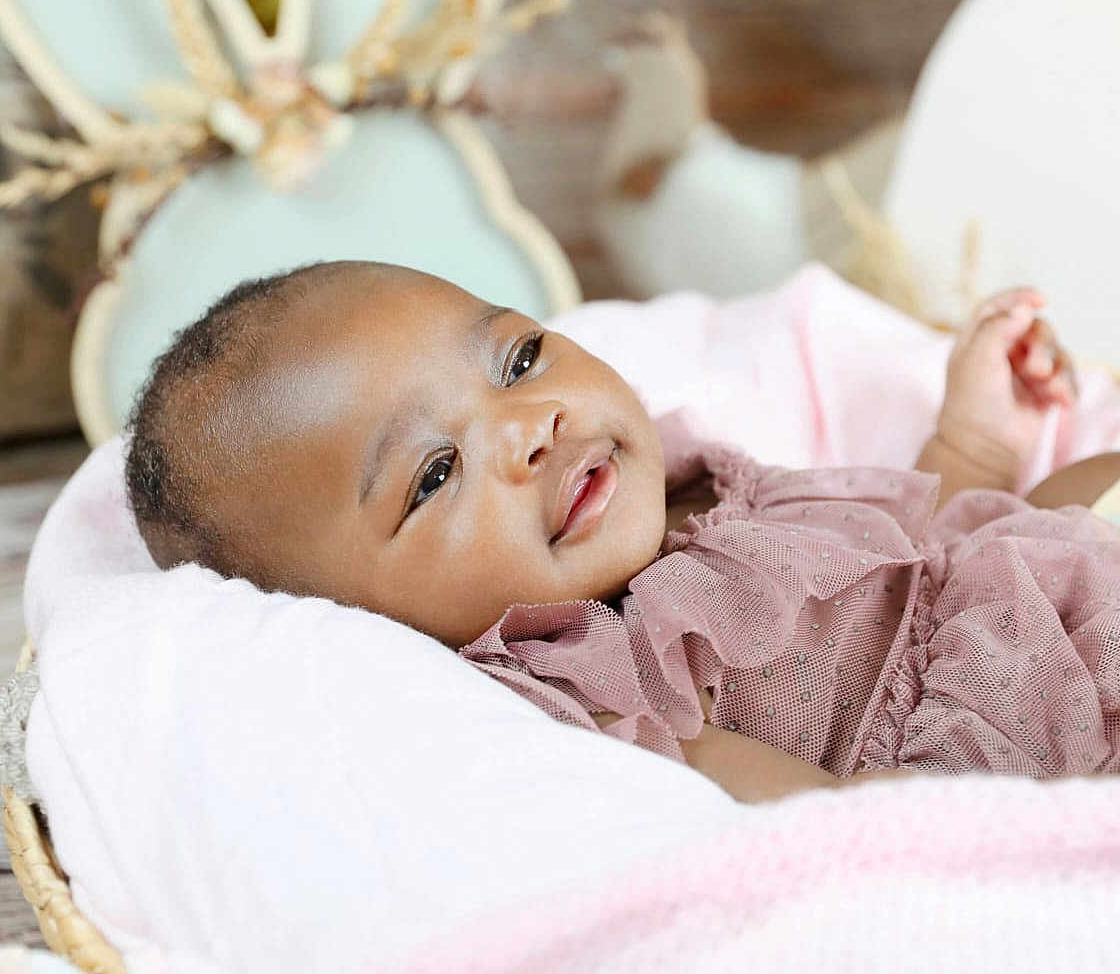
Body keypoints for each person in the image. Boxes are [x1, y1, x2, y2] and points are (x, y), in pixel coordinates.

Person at [125, 260, 1120, 802]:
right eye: (435, 472)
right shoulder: (600, 695)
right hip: (1028, 759)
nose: (530, 426)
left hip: (1022, 588)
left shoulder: (704, 480)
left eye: (516, 360)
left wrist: (975, 437)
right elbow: (833, 843)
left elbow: (915, 541)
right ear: (363, 621)